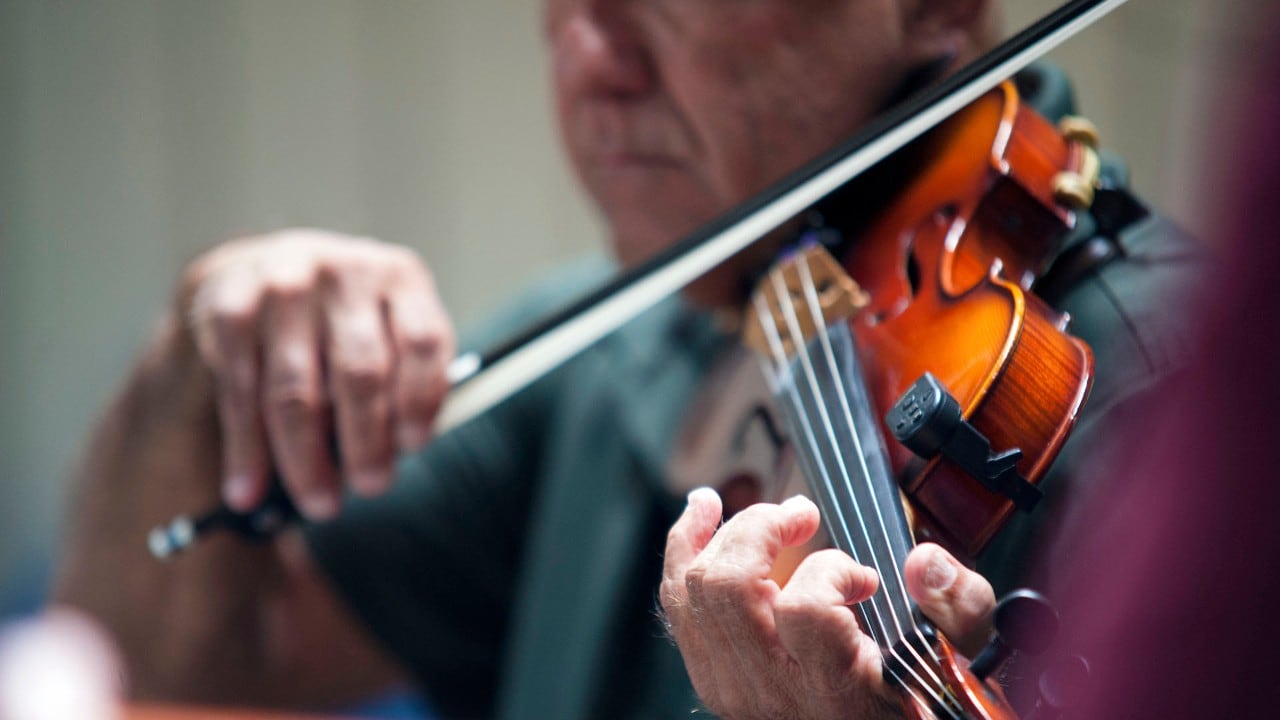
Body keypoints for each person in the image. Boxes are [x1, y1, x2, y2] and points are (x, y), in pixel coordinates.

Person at [50, 1, 1203, 718]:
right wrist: (199, 366)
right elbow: (160, 654)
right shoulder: (626, 340)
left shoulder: (1173, 406)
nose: (588, 56)